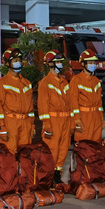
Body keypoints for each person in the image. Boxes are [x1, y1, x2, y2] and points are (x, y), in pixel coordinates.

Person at [37, 50, 72, 184]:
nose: (60, 64)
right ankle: (49, 176)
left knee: (63, 148)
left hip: (65, 120)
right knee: (53, 149)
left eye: (61, 62)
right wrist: (47, 124)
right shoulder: (45, 83)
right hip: (53, 121)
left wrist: (72, 122)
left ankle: (57, 174)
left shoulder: (64, 82)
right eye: (58, 62)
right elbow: (43, 105)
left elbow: (69, 104)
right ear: (50, 64)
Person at [0, 48, 34, 154]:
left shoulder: (27, 83)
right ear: (7, 63)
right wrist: (2, 126)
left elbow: (30, 107)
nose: (18, 62)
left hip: (26, 123)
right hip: (10, 123)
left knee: (25, 154)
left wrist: (32, 125)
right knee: (10, 153)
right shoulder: (2, 83)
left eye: (19, 60)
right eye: (15, 60)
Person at [68, 49, 105, 144]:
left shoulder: (96, 81)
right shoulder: (76, 80)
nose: (93, 65)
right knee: (84, 145)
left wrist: (101, 119)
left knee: (97, 145)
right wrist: (76, 120)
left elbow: (99, 103)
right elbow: (73, 101)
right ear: (83, 64)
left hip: (96, 118)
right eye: (90, 62)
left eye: (94, 62)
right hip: (84, 119)